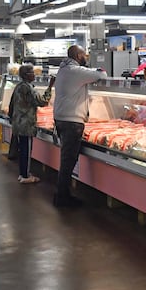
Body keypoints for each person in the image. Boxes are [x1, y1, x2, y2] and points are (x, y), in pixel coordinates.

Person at [52, 45, 107, 207]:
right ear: (77, 55)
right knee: (68, 161)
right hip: (72, 122)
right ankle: (62, 197)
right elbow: (101, 75)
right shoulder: (75, 71)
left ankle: (63, 194)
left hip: (61, 119)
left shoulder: (63, 70)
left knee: (66, 160)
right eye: (84, 54)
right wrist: (98, 69)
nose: (86, 57)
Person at [9, 64, 54, 184]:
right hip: (26, 125)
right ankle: (25, 176)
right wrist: (50, 86)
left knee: (22, 150)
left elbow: (11, 105)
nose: (34, 75)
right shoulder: (28, 88)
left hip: (18, 123)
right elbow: (42, 102)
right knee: (26, 150)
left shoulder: (19, 86)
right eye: (32, 73)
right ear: (26, 75)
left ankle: (22, 173)